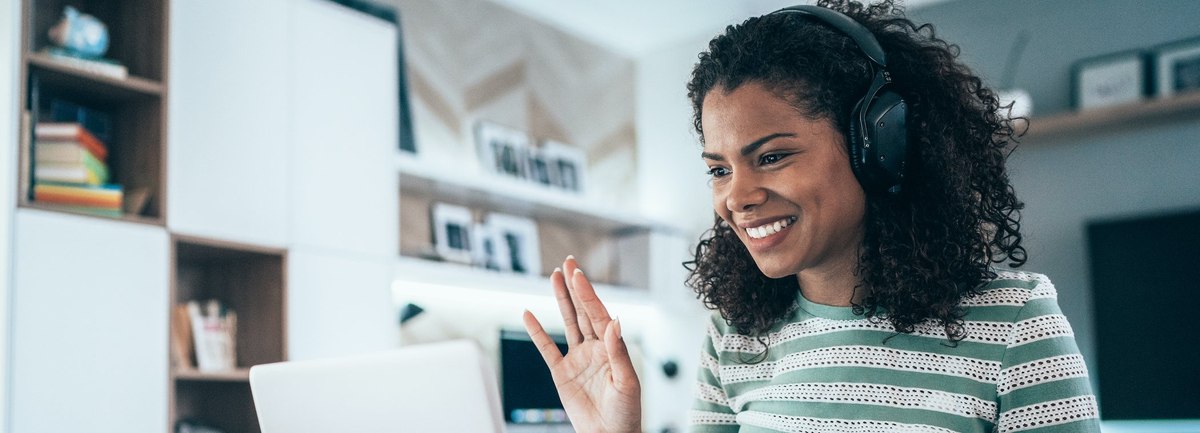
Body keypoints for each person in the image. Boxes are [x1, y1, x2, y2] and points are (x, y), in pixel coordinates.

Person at [521, 1, 1101, 432]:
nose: (736, 198)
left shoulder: (1014, 323)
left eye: (771, 157)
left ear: (878, 146)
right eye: (719, 170)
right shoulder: (735, 337)